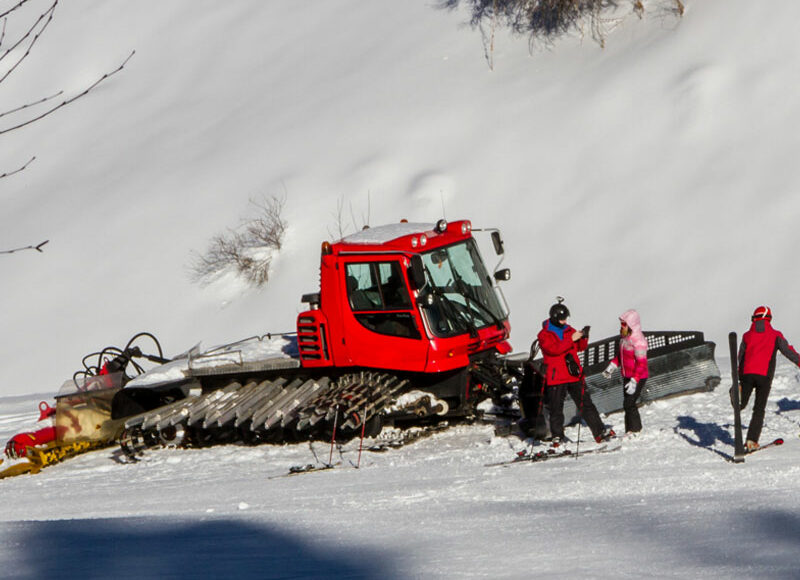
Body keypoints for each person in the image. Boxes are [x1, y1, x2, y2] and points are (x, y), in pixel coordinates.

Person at [537, 300, 614, 445]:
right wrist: (571, 339)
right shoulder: (544, 334)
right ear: (554, 318)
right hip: (557, 376)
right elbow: (554, 349)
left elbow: (579, 347)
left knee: (586, 404)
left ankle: (599, 431)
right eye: (562, 319)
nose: (565, 321)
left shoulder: (568, 329)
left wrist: (583, 337)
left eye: (566, 318)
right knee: (556, 409)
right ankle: (557, 436)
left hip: (573, 373)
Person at [736, 306, 800, 451]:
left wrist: (739, 377)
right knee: (759, 409)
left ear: (754, 318)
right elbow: (788, 351)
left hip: (746, 375)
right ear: (768, 319)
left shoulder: (747, 336)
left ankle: (738, 398)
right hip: (764, 377)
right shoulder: (775, 335)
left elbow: (741, 357)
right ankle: (751, 440)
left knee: (741, 403)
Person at [603, 309, 649, 434]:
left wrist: (635, 380)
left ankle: (635, 430)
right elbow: (621, 356)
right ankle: (629, 429)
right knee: (627, 403)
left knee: (630, 403)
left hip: (637, 376)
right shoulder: (624, 339)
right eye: (621, 324)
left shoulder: (638, 341)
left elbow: (641, 363)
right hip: (627, 375)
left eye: (624, 324)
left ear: (631, 324)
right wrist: (612, 366)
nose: (622, 327)